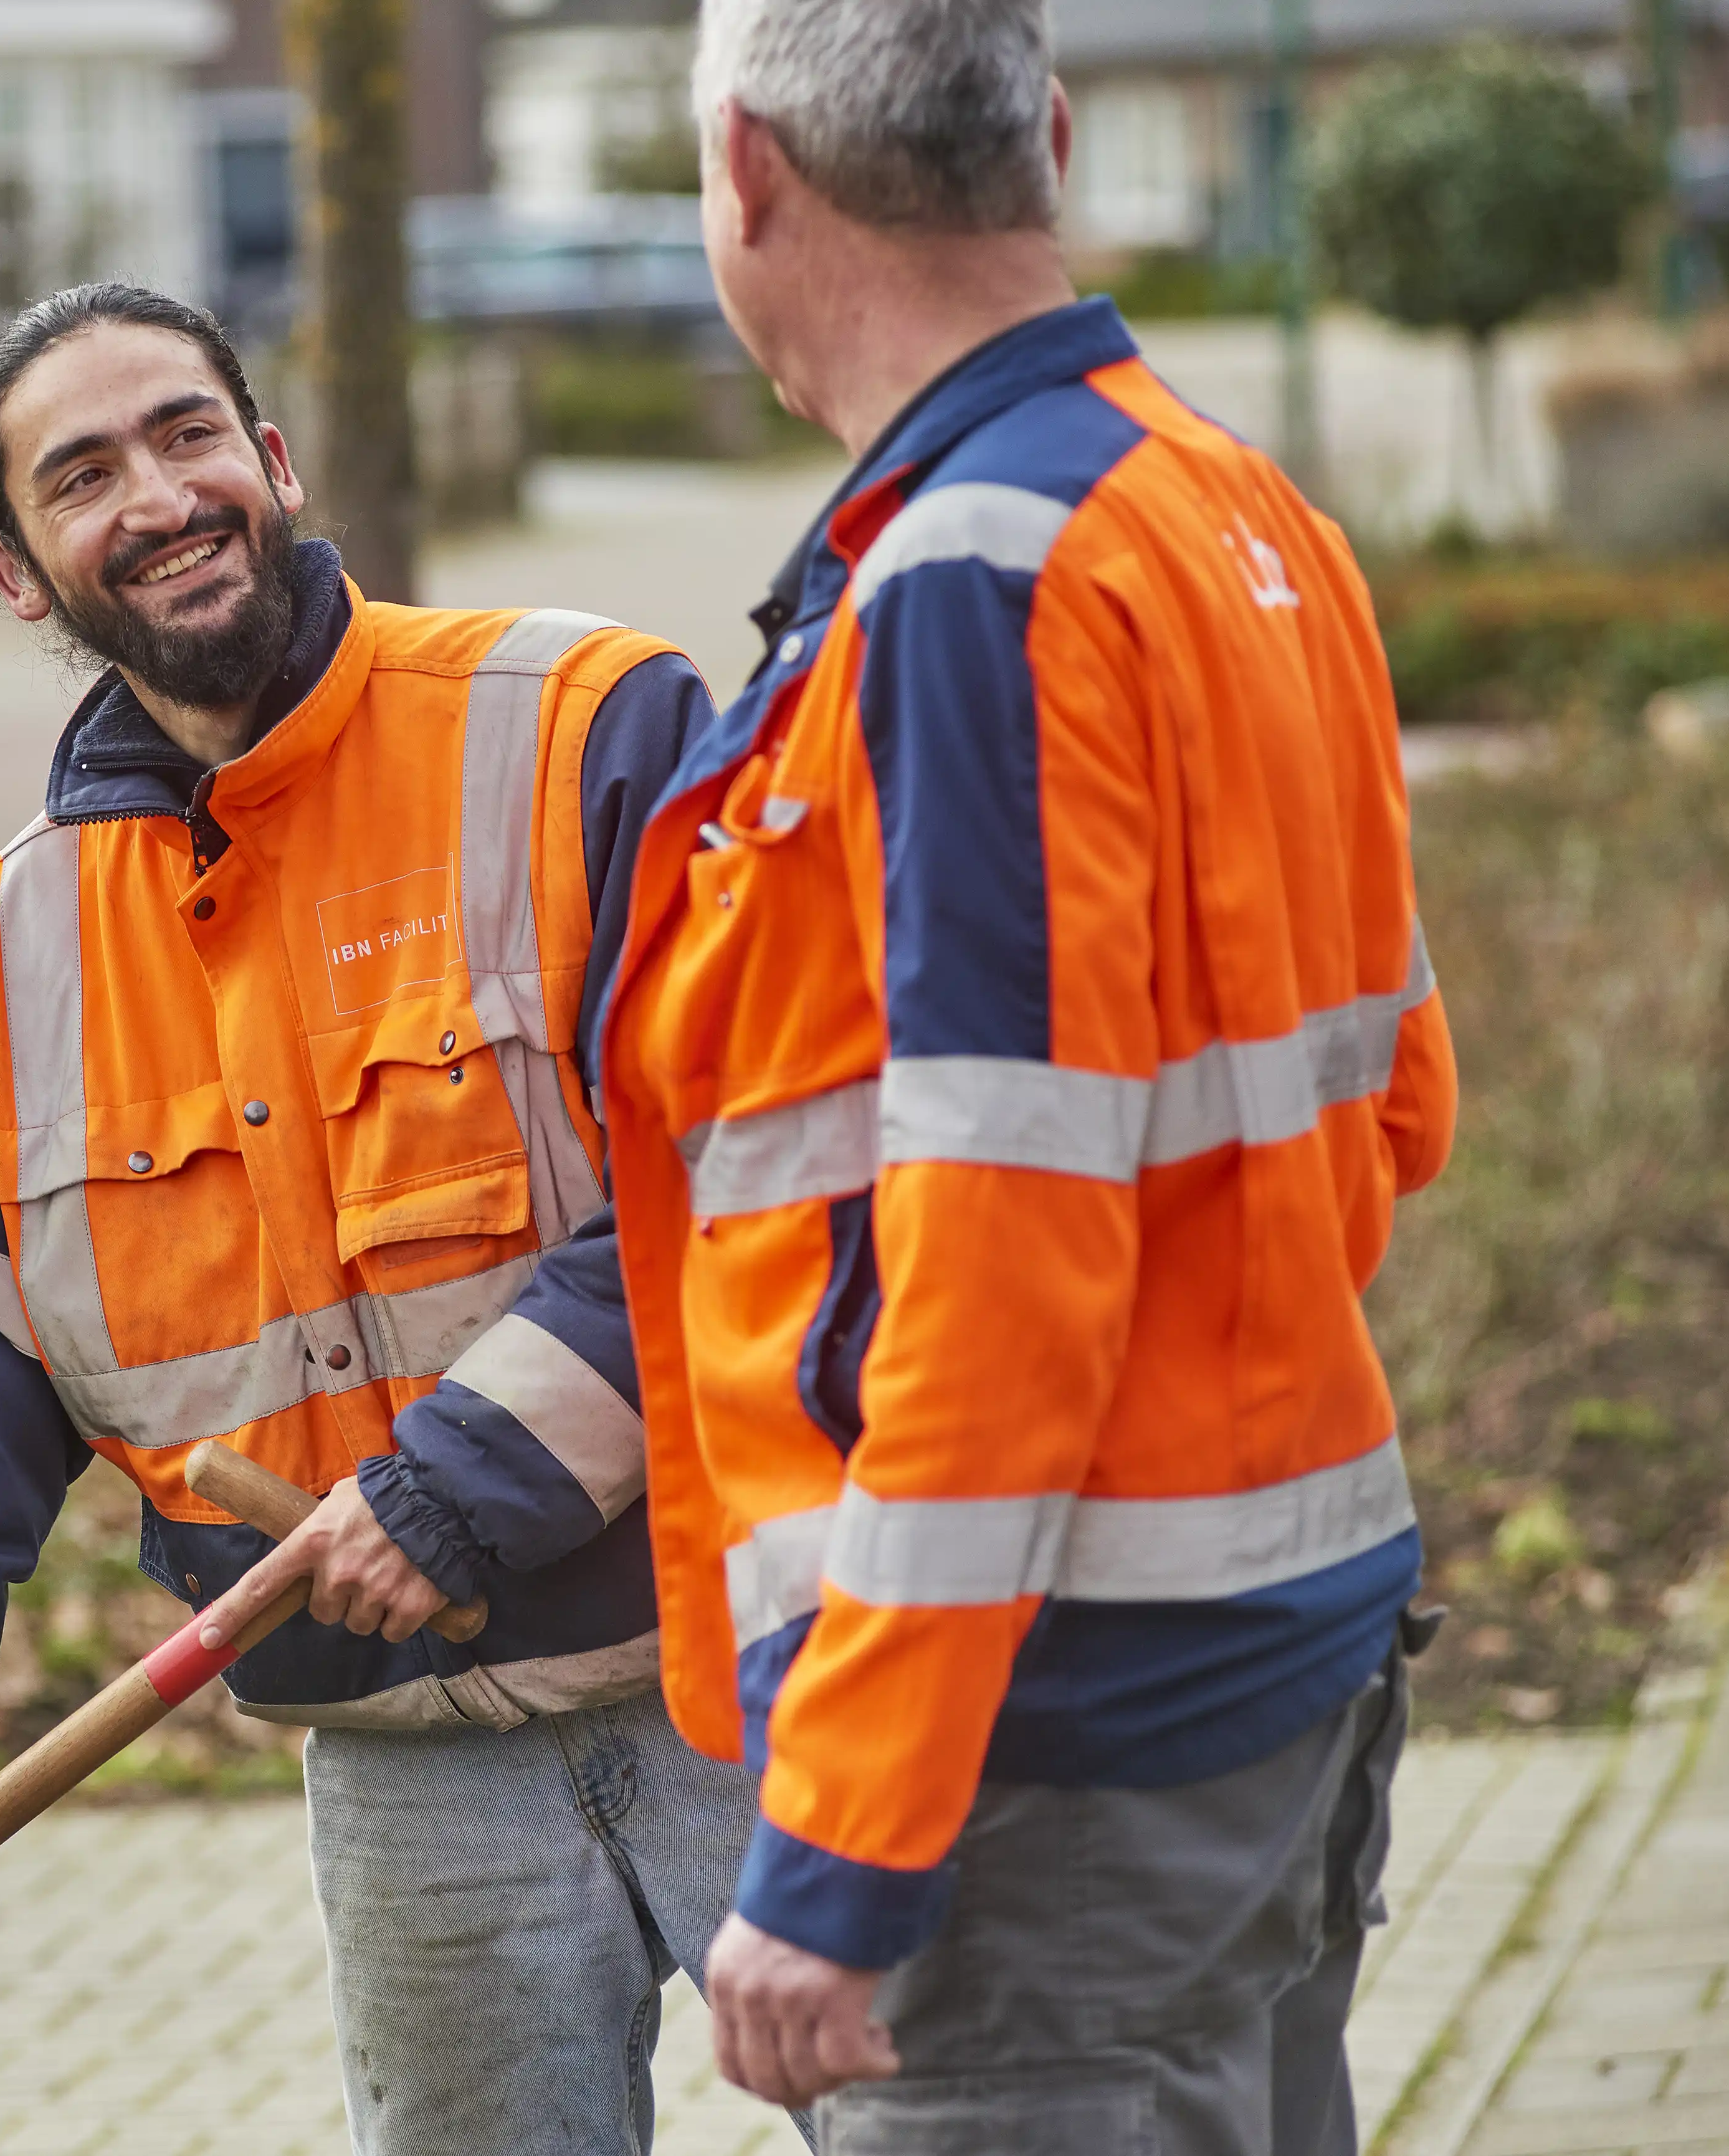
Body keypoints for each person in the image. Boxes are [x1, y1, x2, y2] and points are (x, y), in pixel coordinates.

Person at [0, 282, 750, 2155]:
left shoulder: (582, 726)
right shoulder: (15, 953)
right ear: (17, 573)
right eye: (86, 472)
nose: (162, 493)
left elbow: (750, 1167)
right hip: (408, 1755)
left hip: (746, 1667)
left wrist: (477, 1477)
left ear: (272, 461)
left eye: (191, 433)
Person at [598, 2, 1462, 2147]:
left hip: (1042, 1756)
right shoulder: (1235, 510)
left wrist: (850, 1844)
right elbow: (1397, 1102)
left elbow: (997, 1247)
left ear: (750, 177)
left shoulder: (968, 584)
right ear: (1051, 136)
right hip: (1271, 1660)